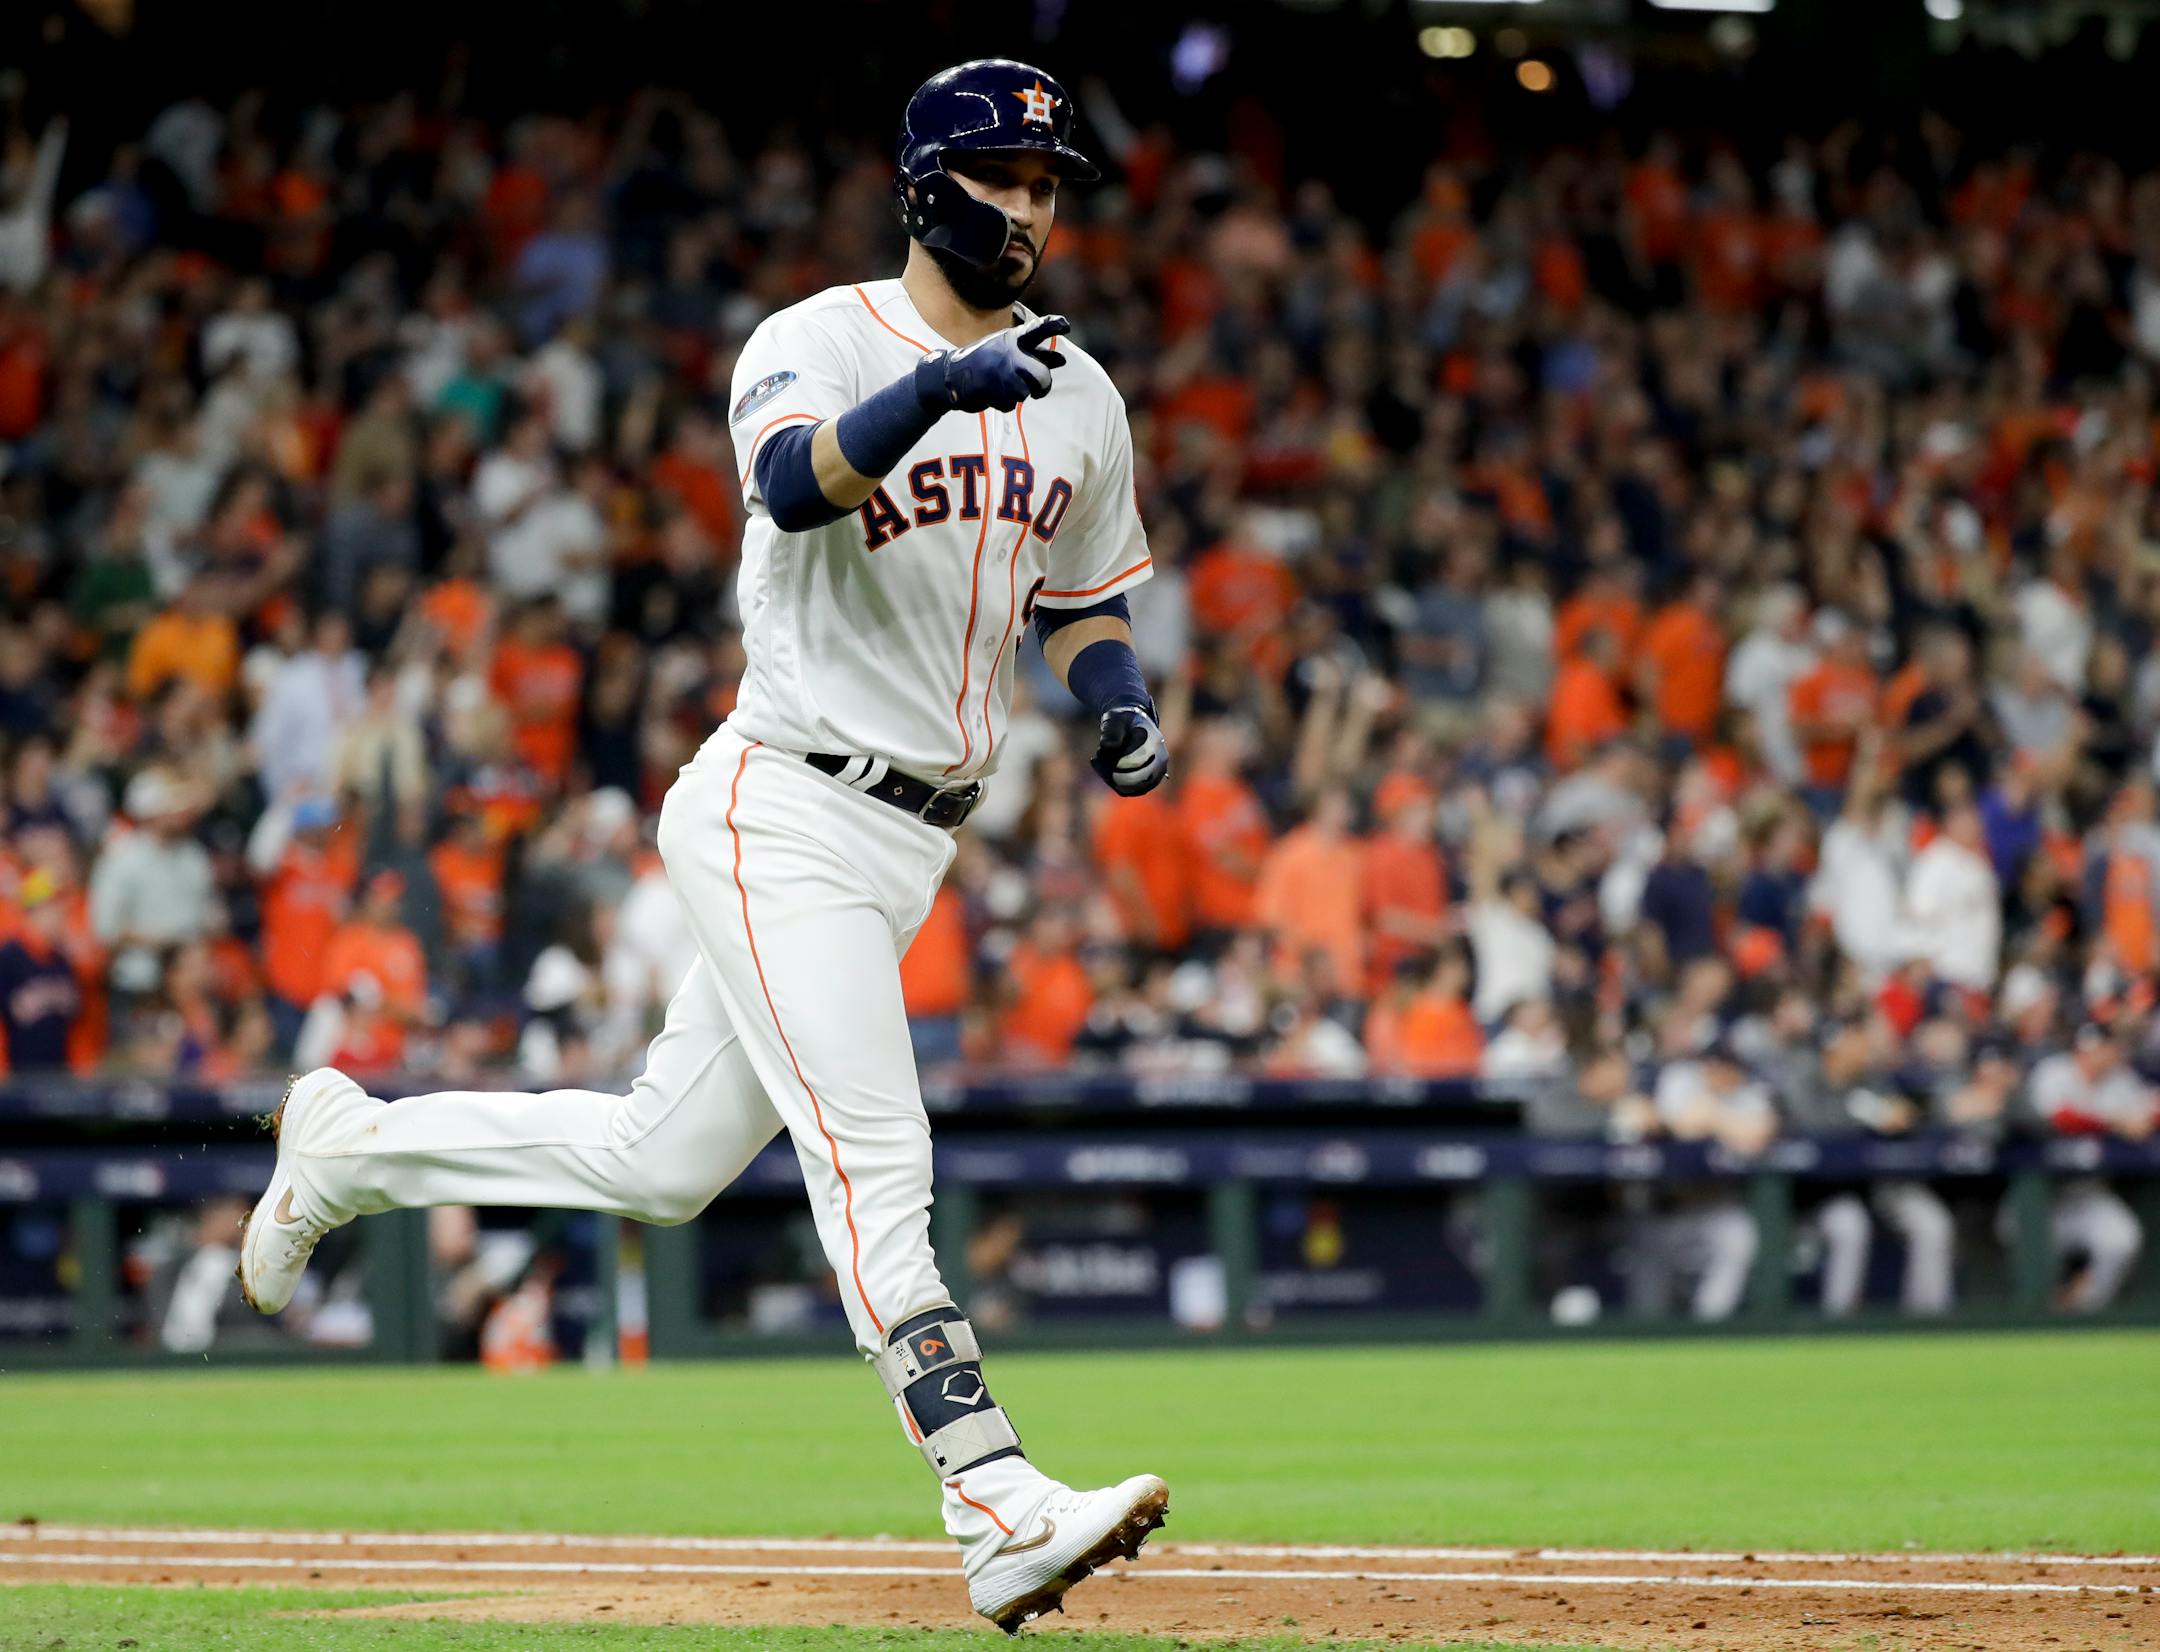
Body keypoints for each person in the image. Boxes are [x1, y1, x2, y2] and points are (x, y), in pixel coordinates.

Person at [234, 60, 1169, 1632]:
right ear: (934, 182)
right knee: (879, 1162)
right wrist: (938, 390)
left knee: (661, 1164)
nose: (1034, 206)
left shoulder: (1080, 389)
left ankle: (352, 1150)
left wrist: (1120, 702)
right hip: (779, 798)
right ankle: (996, 1501)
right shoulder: (814, 340)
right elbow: (794, 486)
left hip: (914, 842)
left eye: (1051, 182)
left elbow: (1083, 601)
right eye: (1009, 175)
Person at [2028, 1025, 2151, 1311]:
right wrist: (2113, 1122)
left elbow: (2148, 1114)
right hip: (2041, 1195)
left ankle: (2081, 1313)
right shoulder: (2054, 1072)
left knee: (2120, 1239)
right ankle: (2032, 1316)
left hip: (2088, 1192)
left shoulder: (2121, 1080)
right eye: (2100, 1049)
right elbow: (2058, 1118)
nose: (2108, 1055)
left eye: (2110, 1049)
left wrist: (2137, 1120)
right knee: (2025, 1241)